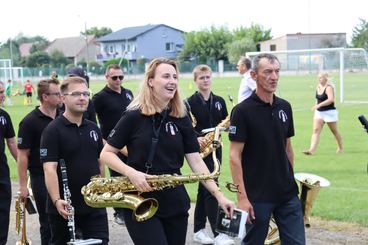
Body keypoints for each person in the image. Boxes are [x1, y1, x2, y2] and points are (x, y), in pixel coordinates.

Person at [100, 58, 234, 245]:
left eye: (175, 77)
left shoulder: (181, 116)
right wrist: (131, 173)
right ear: (151, 81)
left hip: (174, 201)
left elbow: (195, 161)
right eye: (165, 76)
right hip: (140, 198)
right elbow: (106, 153)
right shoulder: (133, 116)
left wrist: (219, 196)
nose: (172, 81)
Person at [229, 53, 306, 245]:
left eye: (277, 71)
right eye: (268, 72)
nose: (274, 77)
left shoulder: (285, 107)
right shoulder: (241, 111)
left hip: (287, 194)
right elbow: (234, 156)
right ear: (254, 76)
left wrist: (289, 178)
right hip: (257, 197)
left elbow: (288, 148)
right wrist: (242, 198)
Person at [40, 77, 109, 244]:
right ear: (63, 98)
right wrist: (57, 200)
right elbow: (49, 169)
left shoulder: (93, 128)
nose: (82, 98)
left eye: (86, 94)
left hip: (94, 205)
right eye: (76, 94)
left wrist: (101, 190)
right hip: (64, 208)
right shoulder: (52, 130)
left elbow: (100, 162)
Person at [186, 65, 234, 245]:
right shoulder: (188, 103)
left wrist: (228, 127)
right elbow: (187, 129)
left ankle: (198, 230)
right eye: (201, 78)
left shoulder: (220, 100)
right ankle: (218, 233)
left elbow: (226, 124)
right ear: (195, 81)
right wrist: (197, 139)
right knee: (212, 188)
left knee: (203, 189)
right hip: (199, 150)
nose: (205, 81)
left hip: (216, 147)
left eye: (208, 77)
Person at [17, 79, 62, 245]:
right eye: (57, 94)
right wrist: (23, 186)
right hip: (40, 176)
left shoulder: (64, 116)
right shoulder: (29, 122)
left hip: (64, 174)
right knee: (48, 220)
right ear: (45, 96)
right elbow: (22, 156)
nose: (61, 97)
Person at [92, 63, 133, 225]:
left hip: (130, 142)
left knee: (132, 175)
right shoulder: (99, 97)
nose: (118, 80)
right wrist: (103, 141)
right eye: (114, 77)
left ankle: (131, 207)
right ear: (106, 77)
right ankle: (119, 212)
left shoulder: (128, 93)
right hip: (112, 144)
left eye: (121, 77)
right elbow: (91, 120)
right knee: (117, 178)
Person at [303, 72, 343, 155]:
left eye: (321, 77)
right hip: (319, 113)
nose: (319, 79)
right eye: (318, 78)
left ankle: (340, 147)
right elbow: (317, 99)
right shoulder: (318, 87)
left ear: (325, 78)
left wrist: (319, 105)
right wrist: (316, 106)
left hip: (329, 112)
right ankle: (311, 150)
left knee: (334, 131)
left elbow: (331, 100)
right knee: (316, 130)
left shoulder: (329, 87)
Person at [0, 81, 17, 245]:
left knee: (3, 209)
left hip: (2, 172)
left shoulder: (4, 116)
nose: (2, 95)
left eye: (2, 92)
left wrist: (22, 164)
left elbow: (11, 142)